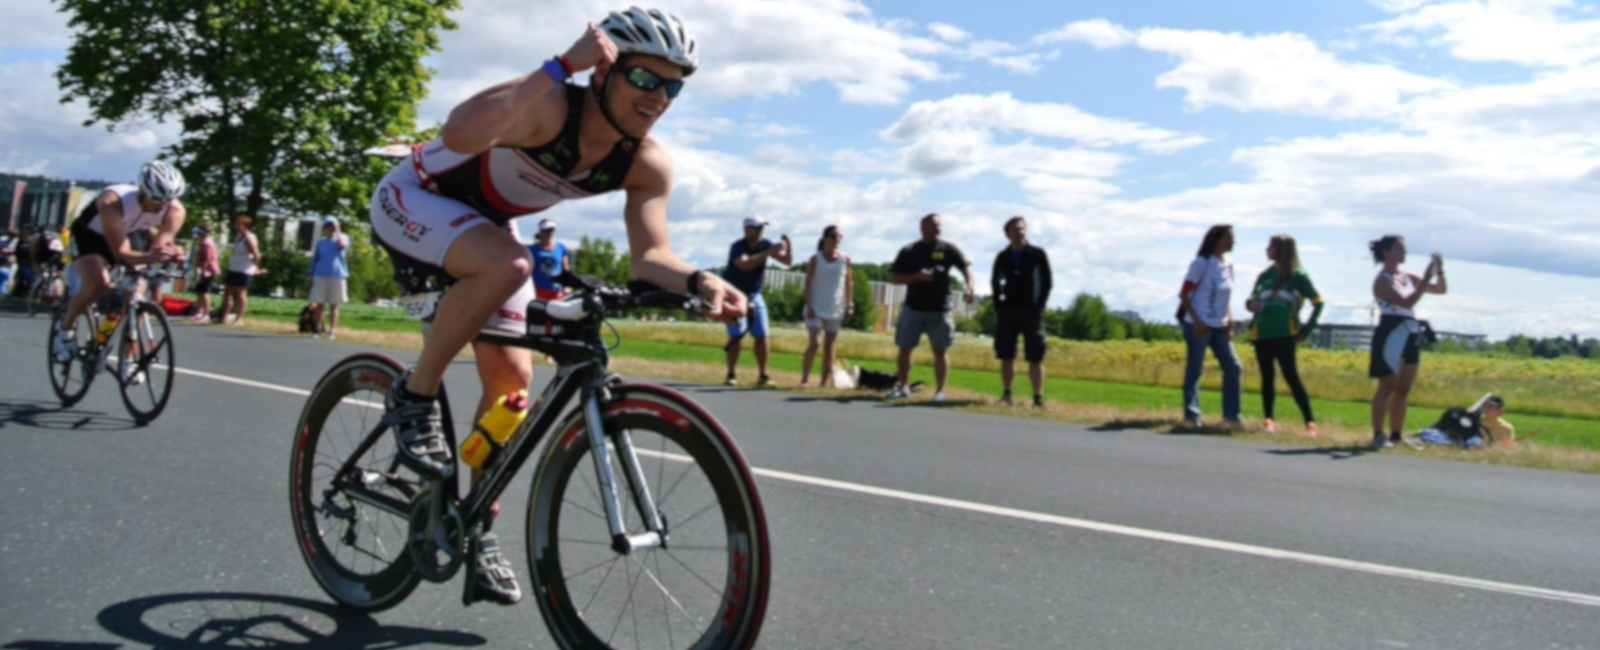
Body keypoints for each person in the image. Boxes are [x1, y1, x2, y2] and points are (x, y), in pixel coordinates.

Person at [364, 8, 743, 606]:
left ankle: (477, 524)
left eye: (673, 86)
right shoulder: (550, 104)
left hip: (481, 229)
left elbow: (651, 257)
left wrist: (700, 281)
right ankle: (412, 398)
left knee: (514, 386)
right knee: (510, 265)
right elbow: (458, 135)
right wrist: (560, 64)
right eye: (646, 79)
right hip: (412, 197)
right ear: (604, 72)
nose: (659, 98)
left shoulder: (646, 162)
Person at [53, 161, 189, 377]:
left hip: (129, 232)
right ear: (142, 190)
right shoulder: (112, 200)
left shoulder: (175, 210)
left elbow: (158, 249)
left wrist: (169, 254)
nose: (161, 207)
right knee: (99, 282)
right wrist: (149, 256)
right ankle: (65, 330)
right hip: (90, 235)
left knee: (137, 292)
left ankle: (128, 360)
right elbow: (122, 253)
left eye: (167, 201)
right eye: (156, 200)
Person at [1368, 234, 1447, 448]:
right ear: (1386, 252)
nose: (1404, 252)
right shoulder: (1383, 279)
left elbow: (1441, 290)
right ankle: (1378, 434)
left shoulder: (1408, 277)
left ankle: (1396, 434)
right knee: (1387, 386)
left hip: (1409, 331)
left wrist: (1438, 270)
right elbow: (1406, 300)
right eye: (1399, 248)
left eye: (1404, 248)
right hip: (1391, 330)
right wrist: (1425, 278)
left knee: (1403, 388)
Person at [888, 213, 974, 402]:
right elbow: (895, 278)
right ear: (922, 228)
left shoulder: (948, 249)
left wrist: (969, 287)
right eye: (933, 225)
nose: (938, 228)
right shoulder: (909, 250)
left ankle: (940, 391)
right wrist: (917, 277)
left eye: (939, 226)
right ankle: (903, 387)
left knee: (940, 351)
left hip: (940, 309)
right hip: (913, 308)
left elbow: (966, 269)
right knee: (905, 348)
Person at [1245, 235, 1324, 436]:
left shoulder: (1298, 276)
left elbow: (1318, 303)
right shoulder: (1264, 276)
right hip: (1261, 333)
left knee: (1291, 377)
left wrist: (1305, 331)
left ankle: (1310, 422)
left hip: (1285, 334)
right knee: (1267, 377)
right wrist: (1251, 305)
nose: (1266, 250)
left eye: (1270, 246)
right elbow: (1251, 299)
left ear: (1281, 249)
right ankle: (1268, 420)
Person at [1178, 224, 1242, 428]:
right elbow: (1184, 294)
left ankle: (1232, 417)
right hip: (1199, 326)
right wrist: (1197, 320)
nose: (1233, 240)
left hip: (1220, 327)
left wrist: (1230, 318)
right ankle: (1192, 415)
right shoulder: (1202, 263)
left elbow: (1224, 296)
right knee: (1195, 370)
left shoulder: (1228, 266)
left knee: (1233, 367)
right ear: (1217, 240)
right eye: (1229, 236)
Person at [721, 216, 791, 387]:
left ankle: (763, 375)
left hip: (754, 294)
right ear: (747, 229)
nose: (761, 231)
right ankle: (731, 374)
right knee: (736, 335)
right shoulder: (738, 247)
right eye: (757, 228)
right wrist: (769, 251)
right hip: (734, 294)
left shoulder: (765, 244)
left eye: (762, 228)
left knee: (762, 334)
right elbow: (744, 265)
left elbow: (787, 261)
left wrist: (788, 247)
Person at [990, 216, 1052, 408]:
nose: (1020, 232)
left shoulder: (1037, 254)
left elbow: (1047, 281)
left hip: (1031, 312)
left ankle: (1037, 399)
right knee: (1006, 355)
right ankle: (1007, 395)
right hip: (1008, 312)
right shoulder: (1003, 256)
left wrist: (1039, 305)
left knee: (1036, 356)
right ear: (1007, 234)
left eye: (1022, 228)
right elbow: (995, 282)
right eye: (1015, 229)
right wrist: (999, 305)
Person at [799, 225, 852, 388]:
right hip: (816, 306)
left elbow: (849, 282)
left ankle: (823, 381)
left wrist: (850, 304)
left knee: (830, 347)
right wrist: (809, 305)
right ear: (825, 239)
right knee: (815, 342)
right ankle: (805, 379)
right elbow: (807, 283)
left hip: (835, 307)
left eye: (839, 237)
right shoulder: (816, 259)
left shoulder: (845, 259)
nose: (837, 240)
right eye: (834, 236)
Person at [308, 217, 350, 339]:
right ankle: (317, 329)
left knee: (334, 304)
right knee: (319, 304)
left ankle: (332, 330)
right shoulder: (321, 242)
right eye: (328, 226)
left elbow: (342, 245)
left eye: (332, 225)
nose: (330, 228)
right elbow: (315, 259)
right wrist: (311, 275)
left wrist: (338, 231)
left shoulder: (343, 238)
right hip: (320, 274)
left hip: (337, 274)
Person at [218, 215, 261, 325]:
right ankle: (224, 316)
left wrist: (253, 266)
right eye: (236, 224)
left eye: (239, 224)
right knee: (227, 292)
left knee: (241, 294)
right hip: (234, 268)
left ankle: (239, 318)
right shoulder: (238, 237)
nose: (236, 226)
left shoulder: (249, 238)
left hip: (244, 269)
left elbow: (257, 256)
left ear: (246, 226)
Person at [526, 218, 571, 301]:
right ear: (541, 231)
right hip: (536, 290)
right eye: (546, 230)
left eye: (551, 230)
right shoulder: (531, 250)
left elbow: (566, 269)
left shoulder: (561, 248)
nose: (549, 233)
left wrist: (568, 285)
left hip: (556, 292)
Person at [189, 223, 220, 322]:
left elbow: (207, 258)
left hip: (207, 270)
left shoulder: (207, 243)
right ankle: (199, 312)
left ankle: (206, 314)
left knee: (205, 292)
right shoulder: (203, 242)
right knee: (200, 291)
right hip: (202, 269)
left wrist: (202, 271)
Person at [0, 228, 17, 297]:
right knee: (10, 280)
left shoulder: (5, 242)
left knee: (10, 280)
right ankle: (6, 294)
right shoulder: (3, 241)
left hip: (6, 267)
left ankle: (6, 294)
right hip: (6, 267)